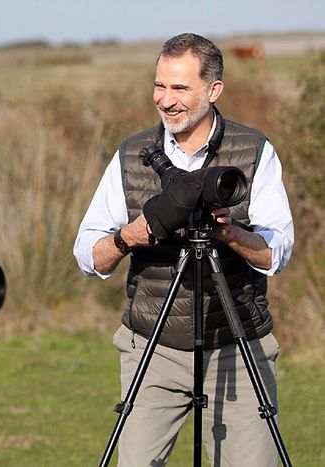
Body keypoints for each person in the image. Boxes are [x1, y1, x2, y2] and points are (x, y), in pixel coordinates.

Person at [73, 33, 294, 466]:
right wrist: (128, 238)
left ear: (214, 90)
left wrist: (228, 234)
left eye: (179, 88)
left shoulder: (254, 151)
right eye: (159, 86)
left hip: (236, 346)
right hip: (152, 349)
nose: (165, 100)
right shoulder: (133, 153)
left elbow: (276, 253)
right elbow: (86, 254)